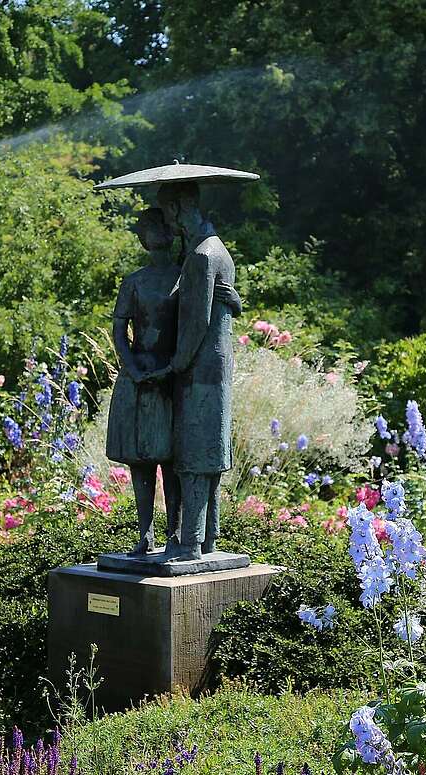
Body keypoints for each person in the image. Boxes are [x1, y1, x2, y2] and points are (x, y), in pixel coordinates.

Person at [106, 207, 241, 556]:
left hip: (171, 376)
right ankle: (144, 533)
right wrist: (132, 366)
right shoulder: (134, 281)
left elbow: (203, 313)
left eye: (162, 226)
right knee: (140, 460)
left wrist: (232, 299)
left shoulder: (187, 273)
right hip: (140, 375)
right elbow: (119, 328)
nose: (158, 233)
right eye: (149, 229)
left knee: (172, 460)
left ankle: (175, 533)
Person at [150, 182, 239, 562]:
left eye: (168, 212)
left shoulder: (203, 255)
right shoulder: (216, 249)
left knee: (193, 457)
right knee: (210, 454)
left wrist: (174, 365)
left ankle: (191, 542)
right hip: (214, 370)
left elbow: (196, 324)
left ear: (181, 207)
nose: (168, 222)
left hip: (199, 371)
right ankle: (208, 540)